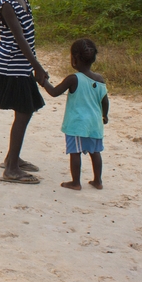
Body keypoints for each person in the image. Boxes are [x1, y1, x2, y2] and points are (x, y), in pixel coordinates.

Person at [0, 0, 50, 184]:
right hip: (13, 63)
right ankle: (11, 169)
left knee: (23, 112)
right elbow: (20, 38)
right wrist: (38, 67)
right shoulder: (8, 3)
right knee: (24, 112)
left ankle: (12, 158)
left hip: (20, 62)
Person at [39, 38, 109, 190]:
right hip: (95, 124)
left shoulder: (73, 79)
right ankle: (98, 181)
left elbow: (54, 92)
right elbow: (105, 102)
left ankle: (76, 182)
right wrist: (105, 116)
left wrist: (43, 82)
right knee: (95, 152)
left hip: (77, 124)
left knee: (75, 152)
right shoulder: (100, 79)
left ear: (74, 59)